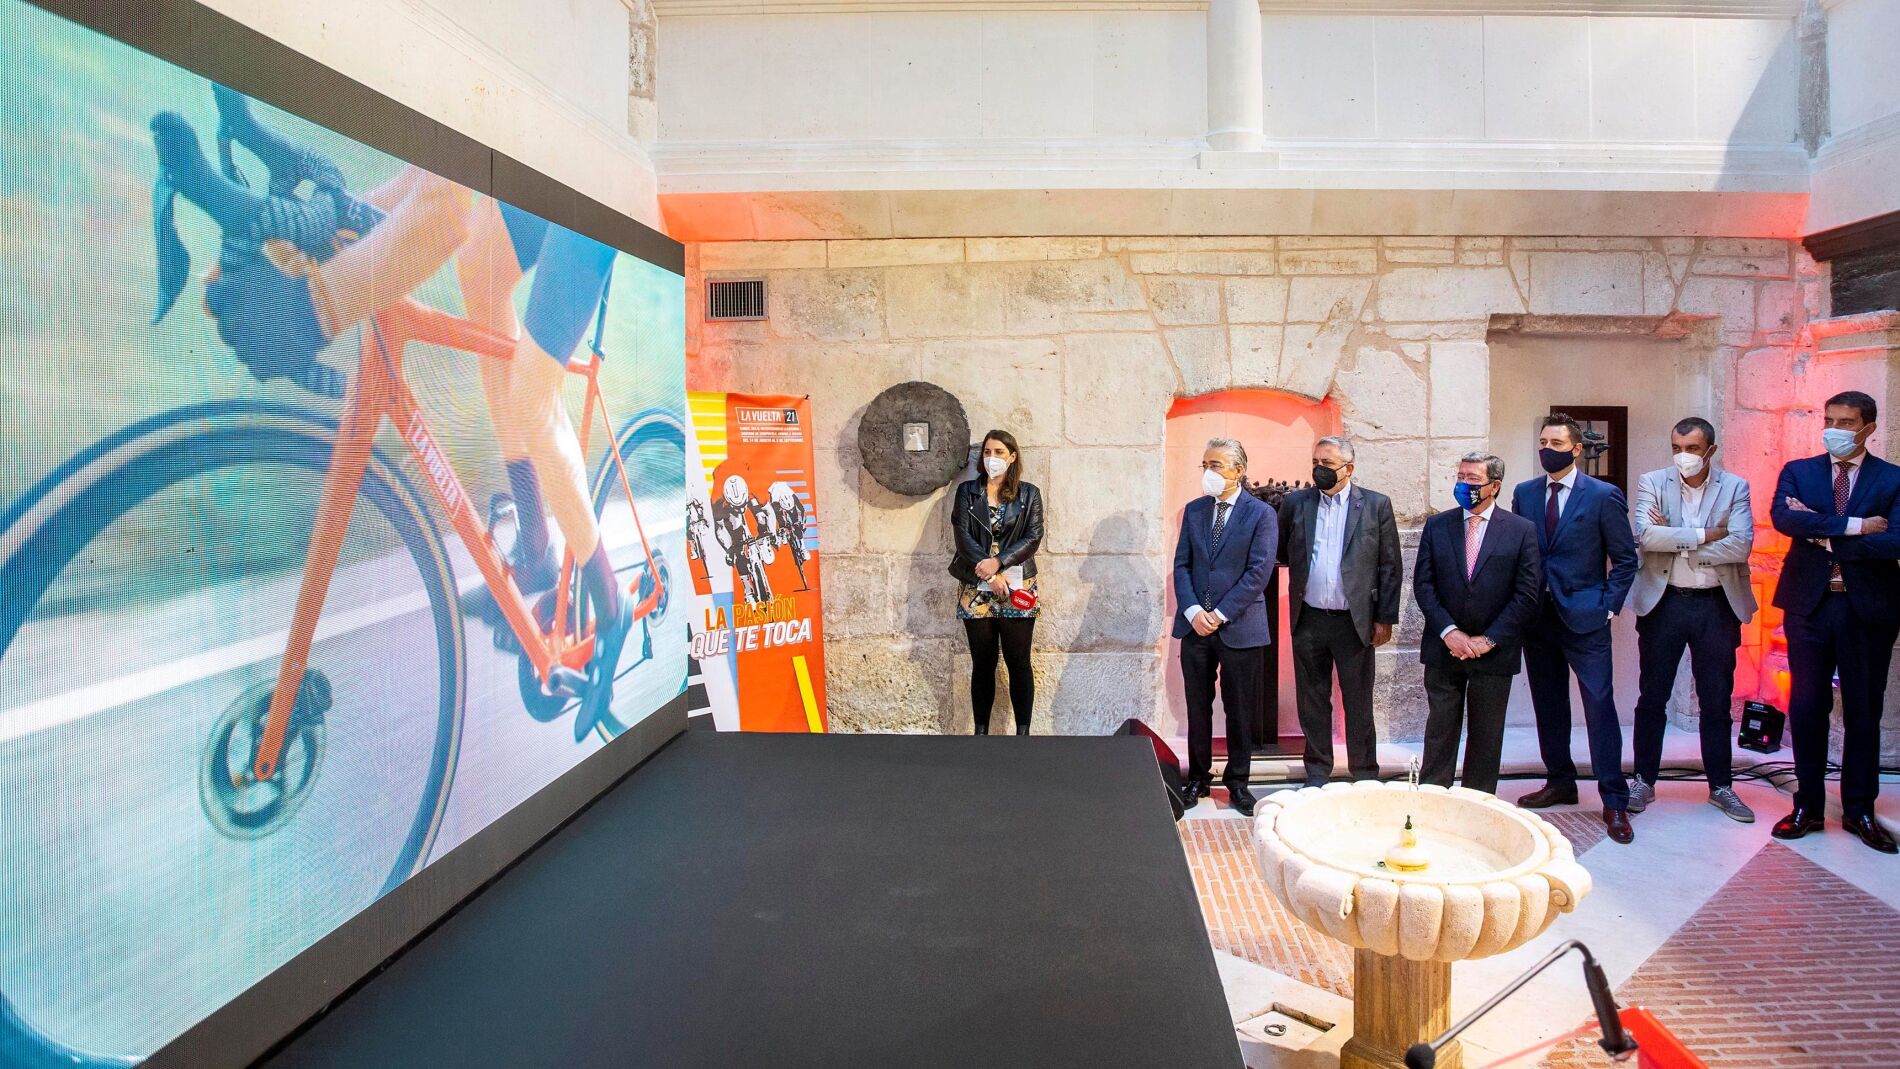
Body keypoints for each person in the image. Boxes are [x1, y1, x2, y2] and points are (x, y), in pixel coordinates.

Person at [156, 90, 631, 740]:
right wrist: (297, 240)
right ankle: (537, 546)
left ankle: (611, 601)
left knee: (531, 394)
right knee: (478, 271)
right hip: (545, 169)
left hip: (587, 199)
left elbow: (444, 212)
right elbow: (414, 189)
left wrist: (316, 303)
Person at [1768, 391, 1900, 853]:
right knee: (1807, 706)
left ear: (1868, 428)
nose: (1835, 429)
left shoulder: (1893, 478)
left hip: (1867, 609)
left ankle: (1860, 809)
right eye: (1829, 420)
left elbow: (1896, 541)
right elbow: (1784, 519)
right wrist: (1856, 526)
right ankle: (1807, 805)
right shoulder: (1799, 471)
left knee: (1863, 710)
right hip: (1809, 605)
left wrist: (1821, 532)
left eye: (1846, 422)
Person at [1511, 413, 1640, 844]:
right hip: (1538, 619)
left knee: (1599, 706)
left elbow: (1625, 560)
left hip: (1586, 618)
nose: (1547, 449)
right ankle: (1560, 781)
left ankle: (1614, 799)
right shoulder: (1525, 493)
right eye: (1543, 441)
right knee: (1549, 705)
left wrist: (1607, 607)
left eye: (1556, 443)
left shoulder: (1603, 495)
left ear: (1577, 449)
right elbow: (1522, 554)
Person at [1628, 418, 1757, 823]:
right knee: (1653, 696)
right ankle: (1643, 780)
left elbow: (1741, 545)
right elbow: (1646, 536)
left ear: (1710, 451)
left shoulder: (1735, 487)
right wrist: (1706, 534)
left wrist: (1679, 540)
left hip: (1716, 605)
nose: (1683, 456)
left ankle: (1721, 786)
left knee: (1716, 700)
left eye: (1692, 448)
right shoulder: (1653, 482)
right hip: (1664, 603)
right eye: (1677, 447)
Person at [1277, 436, 1402, 786]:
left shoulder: (1376, 505)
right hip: (1310, 618)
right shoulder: (1296, 503)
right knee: (1312, 700)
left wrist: (1384, 618)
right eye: (1315, 462)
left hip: (1355, 621)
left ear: (1349, 468)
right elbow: (1283, 551)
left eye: (1328, 464)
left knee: (1358, 701)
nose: (1320, 469)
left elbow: (1390, 565)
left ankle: (1364, 773)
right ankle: (1317, 771)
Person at [1415, 453, 1543, 794]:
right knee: (1440, 731)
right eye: (1461, 476)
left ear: (1494, 486)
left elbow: (1526, 594)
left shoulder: (1520, 530)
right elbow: (1424, 586)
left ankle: (1478, 803)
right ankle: (1433, 800)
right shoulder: (1437, 525)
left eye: (1472, 479)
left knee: (1487, 735)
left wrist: (1488, 640)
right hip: (1445, 649)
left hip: (1494, 652)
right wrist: (1450, 632)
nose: (1463, 484)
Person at [1172, 438, 1278, 815]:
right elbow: (1182, 565)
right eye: (1204, 465)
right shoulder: (1195, 510)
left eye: (1215, 465)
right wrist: (1192, 611)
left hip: (1240, 627)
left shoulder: (1261, 514)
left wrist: (1219, 614)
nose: (1208, 472)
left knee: (1240, 709)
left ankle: (1238, 783)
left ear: (1238, 471)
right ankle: (1198, 778)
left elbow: (1258, 573)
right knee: (1198, 707)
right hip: (1195, 628)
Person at [950, 431, 1044, 736]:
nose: (992, 457)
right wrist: (990, 573)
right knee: (983, 662)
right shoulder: (967, 492)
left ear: (1012, 456)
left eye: (999, 452)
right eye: (988, 451)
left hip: (1018, 585)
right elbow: (963, 537)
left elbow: (1033, 537)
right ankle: (981, 733)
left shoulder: (1029, 494)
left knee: (1019, 661)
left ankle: (1023, 733)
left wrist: (999, 562)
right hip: (976, 584)